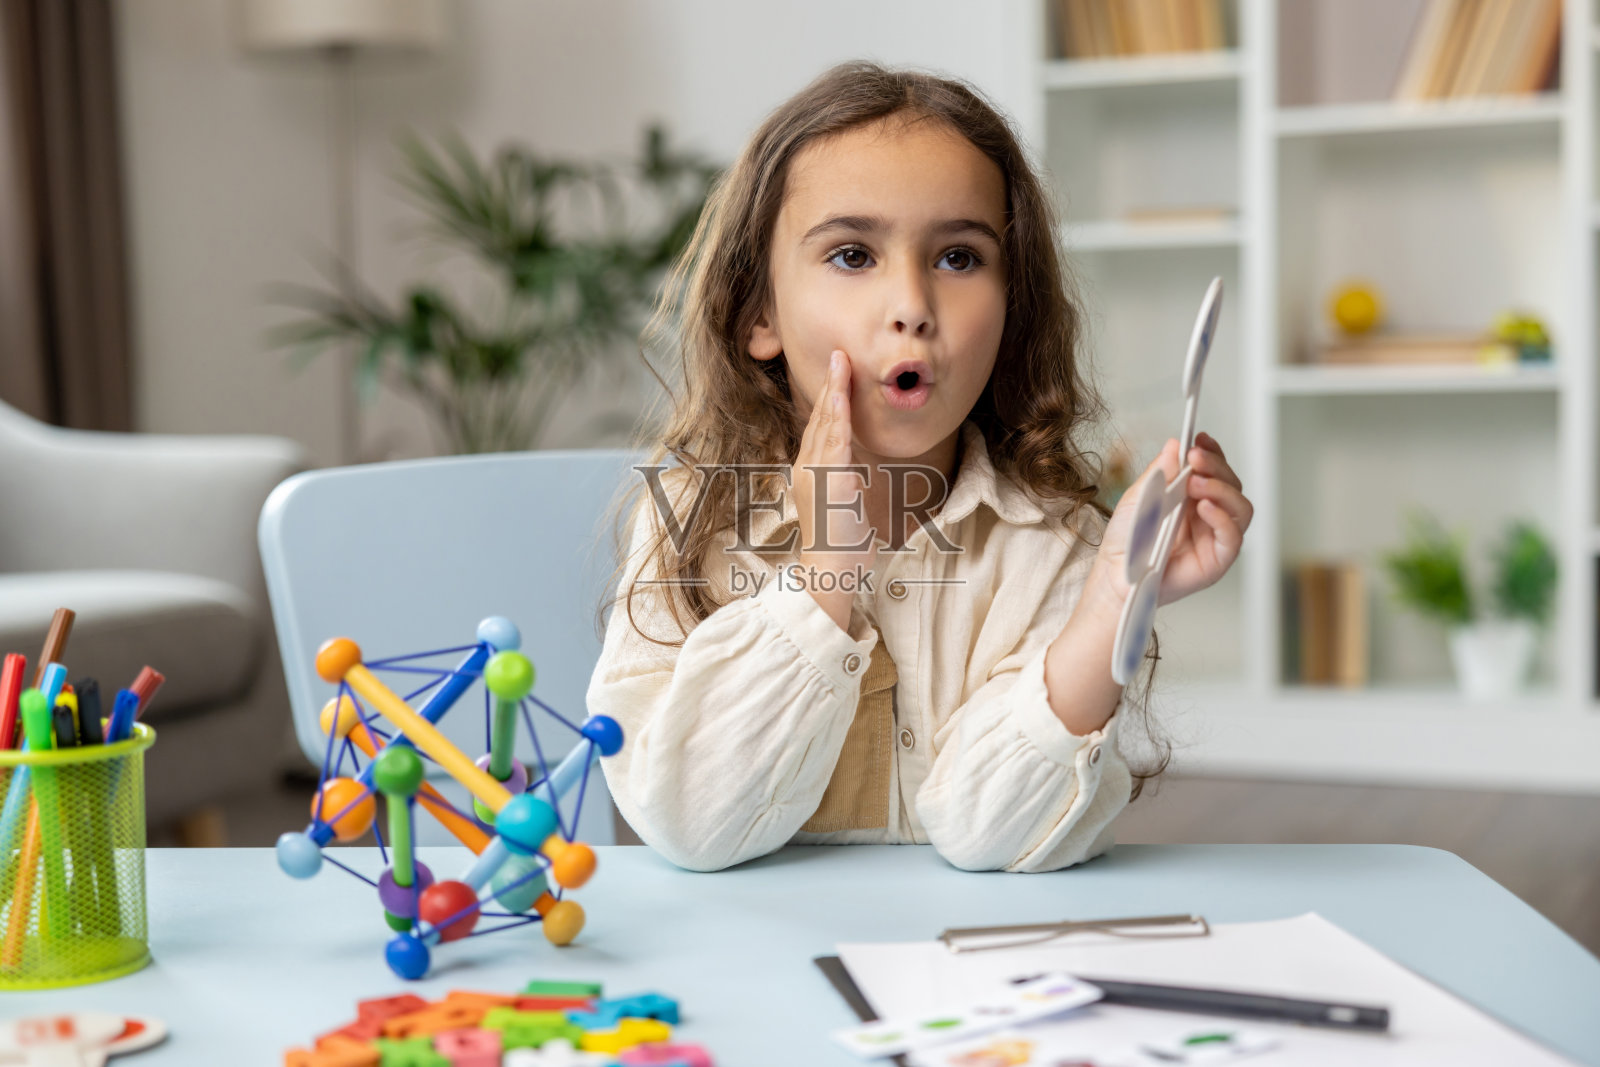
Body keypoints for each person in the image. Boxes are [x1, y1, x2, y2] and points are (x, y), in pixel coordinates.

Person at [586, 60, 1252, 873]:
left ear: (1011, 311)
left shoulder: (1056, 538)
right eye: (853, 255)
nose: (911, 304)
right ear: (758, 312)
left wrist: (1111, 601)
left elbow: (989, 836)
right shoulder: (688, 517)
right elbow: (689, 823)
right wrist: (826, 571)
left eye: (959, 259)